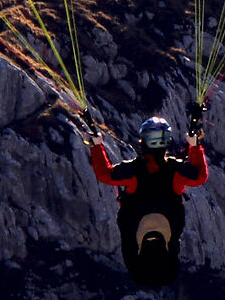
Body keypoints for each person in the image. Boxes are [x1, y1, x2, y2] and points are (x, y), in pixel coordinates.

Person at [89, 113, 208, 287]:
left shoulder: (133, 170)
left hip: (134, 225)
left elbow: (105, 174)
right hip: (169, 223)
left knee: (131, 236)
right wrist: (194, 146)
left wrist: (97, 145)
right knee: (171, 238)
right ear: (167, 141)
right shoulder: (175, 170)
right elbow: (200, 176)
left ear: (143, 142)